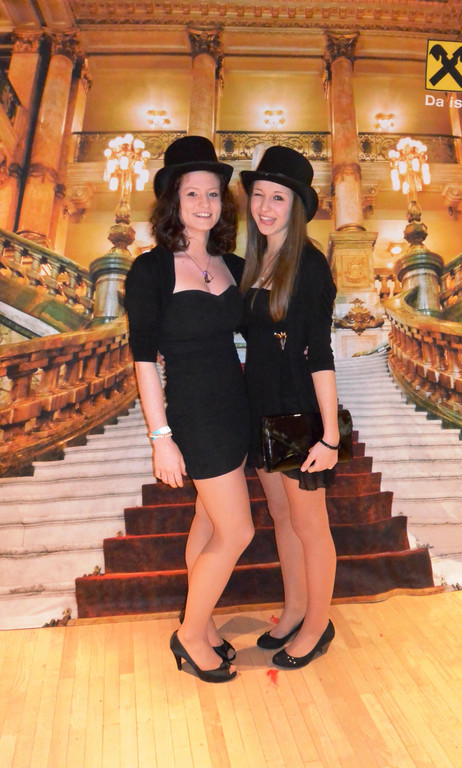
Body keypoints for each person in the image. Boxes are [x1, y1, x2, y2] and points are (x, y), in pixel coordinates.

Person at [124, 135, 254, 683]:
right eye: (192, 193)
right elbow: (143, 361)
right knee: (238, 531)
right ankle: (189, 636)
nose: (204, 203)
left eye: (214, 193)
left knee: (208, 520)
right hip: (195, 415)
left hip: (236, 407)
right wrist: (161, 438)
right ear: (172, 201)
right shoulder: (150, 270)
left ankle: (204, 624)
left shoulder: (234, 263)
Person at [240, 145, 338, 669]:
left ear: (296, 206)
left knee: (310, 525)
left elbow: (319, 354)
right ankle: (296, 608)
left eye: (277, 197)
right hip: (260, 407)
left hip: (298, 412)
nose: (265, 207)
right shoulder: (257, 261)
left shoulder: (310, 265)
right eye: (259, 195)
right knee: (282, 516)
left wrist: (330, 436)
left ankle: (318, 625)